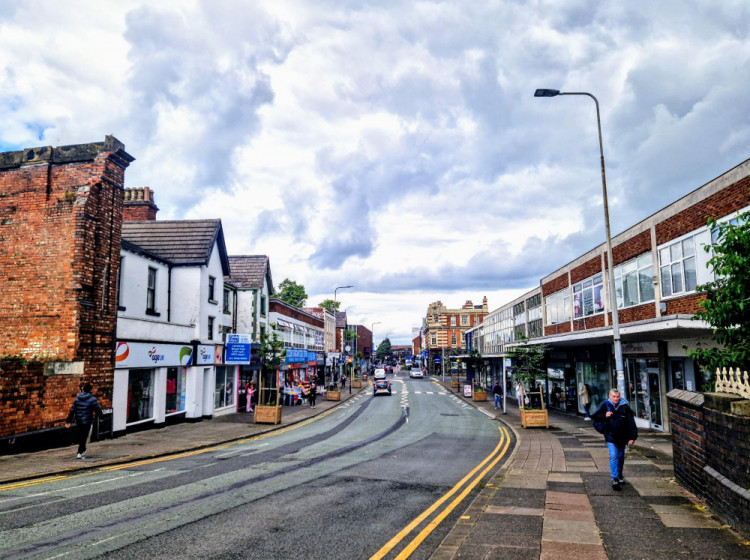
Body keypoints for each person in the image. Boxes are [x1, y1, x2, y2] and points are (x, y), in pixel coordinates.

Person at [591, 388, 638, 490]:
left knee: (620, 457)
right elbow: (595, 416)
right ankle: (614, 478)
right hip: (610, 435)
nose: (616, 399)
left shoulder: (625, 407)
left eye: (617, 397)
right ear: (610, 396)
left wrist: (632, 437)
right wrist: (605, 415)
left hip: (622, 436)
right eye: (614, 397)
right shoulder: (605, 405)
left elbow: (631, 422)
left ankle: (619, 475)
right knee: (613, 455)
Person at [65, 383, 104, 460]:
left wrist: (68, 421)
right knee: (84, 436)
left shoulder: (78, 399)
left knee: (82, 436)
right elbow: (97, 409)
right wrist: (101, 417)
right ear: (90, 390)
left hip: (79, 421)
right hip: (87, 421)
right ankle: (80, 452)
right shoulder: (92, 399)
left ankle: (82, 451)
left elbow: (72, 410)